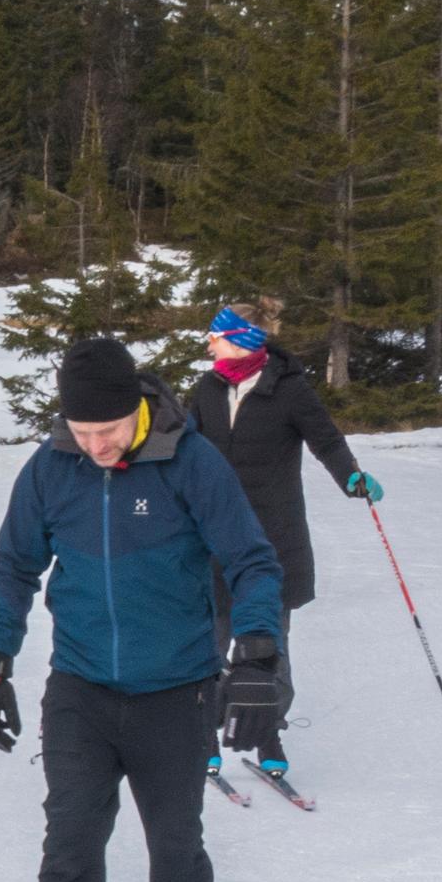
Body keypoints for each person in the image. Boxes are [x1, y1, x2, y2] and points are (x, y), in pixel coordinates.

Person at [0, 337, 286, 882]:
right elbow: (15, 565)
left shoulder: (189, 462)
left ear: (137, 411)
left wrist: (259, 652)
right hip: (80, 688)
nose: (96, 445)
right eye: (81, 434)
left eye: (107, 431)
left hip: (175, 691)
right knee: (70, 850)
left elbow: (250, 558)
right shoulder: (52, 468)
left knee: (174, 850)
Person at [183, 300, 383, 780]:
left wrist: (351, 477)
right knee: (209, 640)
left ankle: (268, 730)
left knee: (269, 642)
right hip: (211, 537)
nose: (209, 343)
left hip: (273, 539)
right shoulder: (206, 389)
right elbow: (184, 449)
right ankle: (205, 732)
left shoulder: (288, 390)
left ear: (241, 339)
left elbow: (326, 440)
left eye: (217, 335)